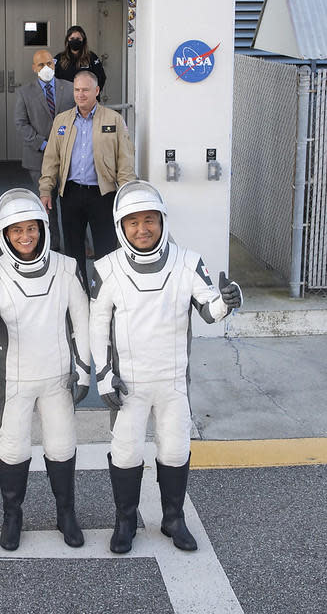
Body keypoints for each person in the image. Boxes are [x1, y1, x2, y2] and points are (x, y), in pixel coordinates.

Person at [89, 180, 243, 555]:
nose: (143, 229)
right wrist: (104, 375)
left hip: (173, 381)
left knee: (174, 451)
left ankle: (173, 518)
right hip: (129, 384)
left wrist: (226, 301)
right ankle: (125, 521)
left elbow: (208, 310)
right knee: (126, 453)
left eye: (150, 220)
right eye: (133, 222)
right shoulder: (105, 268)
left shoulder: (188, 262)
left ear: (163, 221)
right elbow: (96, 326)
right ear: (120, 226)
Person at [0, 189, 91, 551]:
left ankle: (66, 514)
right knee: (13, 448)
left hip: (57, 376)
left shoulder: (67, 268)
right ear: (4, 235)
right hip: (15, 379)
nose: (25, 237)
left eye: (31, 228)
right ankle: (12, 515)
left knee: (62, 445)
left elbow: (83, 321)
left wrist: (83, 367)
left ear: (43, 228)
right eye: (16, 231)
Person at [39, 70, 136, 294]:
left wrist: (126, 196)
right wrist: (46, 189)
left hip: (103, 195)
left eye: (85, 90)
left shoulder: (113, 120)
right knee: (73, 251)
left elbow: (125, 161)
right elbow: (51, 159)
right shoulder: (62, 121)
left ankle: (105, 294)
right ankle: (79, 294)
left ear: (97, 91)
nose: (80, 94)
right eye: (77, 90)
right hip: (71, 194)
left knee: (106, 250)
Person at [14, 49, 75, 252]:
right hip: (38, 158)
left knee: (72, 204)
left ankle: (79, 245)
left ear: (54, 65)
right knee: (47, 205)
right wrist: (44, 144)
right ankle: (53, 246)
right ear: (34, 68)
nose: (46, 68)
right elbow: (21, 123)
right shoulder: (25, 92)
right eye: (41, 65)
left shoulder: (69, 88)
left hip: (69, 157)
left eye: (49, 63)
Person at [54, 25, 106, 93]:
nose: (75, 41)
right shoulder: (59, 58)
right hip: (66, 98)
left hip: (86, 97)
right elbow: (52, 80)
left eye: (78, 38)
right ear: (67, 40)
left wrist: (94, 94)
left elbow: (101, 77)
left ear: (83, 40)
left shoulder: (91, 57)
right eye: (72, 38)